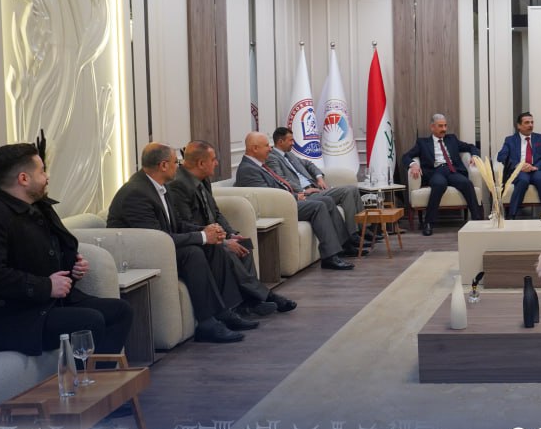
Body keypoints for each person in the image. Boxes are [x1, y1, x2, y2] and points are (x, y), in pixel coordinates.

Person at [0, 143, 133, 356]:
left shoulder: (40, 207)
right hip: (10, 314)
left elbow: (49, 253)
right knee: (90, 321)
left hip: (48, 304)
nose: (47, 177)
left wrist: (72, 266)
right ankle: (79, 376)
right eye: (42, 171)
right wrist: (47, 286)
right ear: (24, 178)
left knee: (121, 311)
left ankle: (101, 374)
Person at [107, 143, 253, 343]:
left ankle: (224, 312)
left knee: (213, 247)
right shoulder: (136, 193)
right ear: (163, 165)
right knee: (193, 253)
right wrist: (202, 237)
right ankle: (206, 324)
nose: (180, 166)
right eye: (176, 162)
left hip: (160, 246)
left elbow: (176, 224)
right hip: (137, 255)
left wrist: (205, 230)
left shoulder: (160, 186)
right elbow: (156, 238)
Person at [169, 140, 296, 315]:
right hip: (200, 241)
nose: (216, 163)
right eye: (213, 159)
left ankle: (251, 302)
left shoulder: (203, 179)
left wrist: (230, 234)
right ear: (201, 163)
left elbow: (215, 212)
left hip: (214, 235)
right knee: (228, 252)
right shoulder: (178, 185)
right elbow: (185, 224)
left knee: (244, 245)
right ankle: (266, 296)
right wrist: (222, 240)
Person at [235, 132, 356, 270]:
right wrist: (295, 197)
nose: (270, 148)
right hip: (278, 207)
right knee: (318, 206)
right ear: (255, 148)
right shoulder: (248, 169)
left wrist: (296, 194)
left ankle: (344, 245)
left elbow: (278, 186)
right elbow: (266, 196)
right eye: (267, 145)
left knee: (327, 200)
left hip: (286, 200)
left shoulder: (258, 164)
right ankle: (330, 257)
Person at [267, 127, 367, 244]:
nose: (293, 143)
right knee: (346, 191)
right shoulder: (272, 158)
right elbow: (281, 179)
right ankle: (353, 235)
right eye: (290, 140)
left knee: (353, 189)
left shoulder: (289, 154)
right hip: (305, 193)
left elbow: (308, 164)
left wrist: (319, 177)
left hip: (314, 188)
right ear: (280, 141)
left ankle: (364, 230)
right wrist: (303, 190)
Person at [402, 114, 483, 236]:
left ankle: (477, 220)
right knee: (439, 185)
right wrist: (413, 164)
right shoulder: (422, 143)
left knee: (466, 183)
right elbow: (406, 156)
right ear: (432, 127)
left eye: (445, 125)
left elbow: (471, 147)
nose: (444, 129)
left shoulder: (452, 139)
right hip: (435, 171)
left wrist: (474, 156)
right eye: (440, 126)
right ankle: (428, 223)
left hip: (453, 170)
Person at [495, 112, 541, 219]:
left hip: (537, 169)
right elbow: (501, 156)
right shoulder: (510, 140)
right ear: (519, 126)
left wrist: (535, 167)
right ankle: (512, 215)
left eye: (532, 122)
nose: (530, 125)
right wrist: (518, 165)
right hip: (520, 170)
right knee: (523, 181)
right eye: (527, 122)